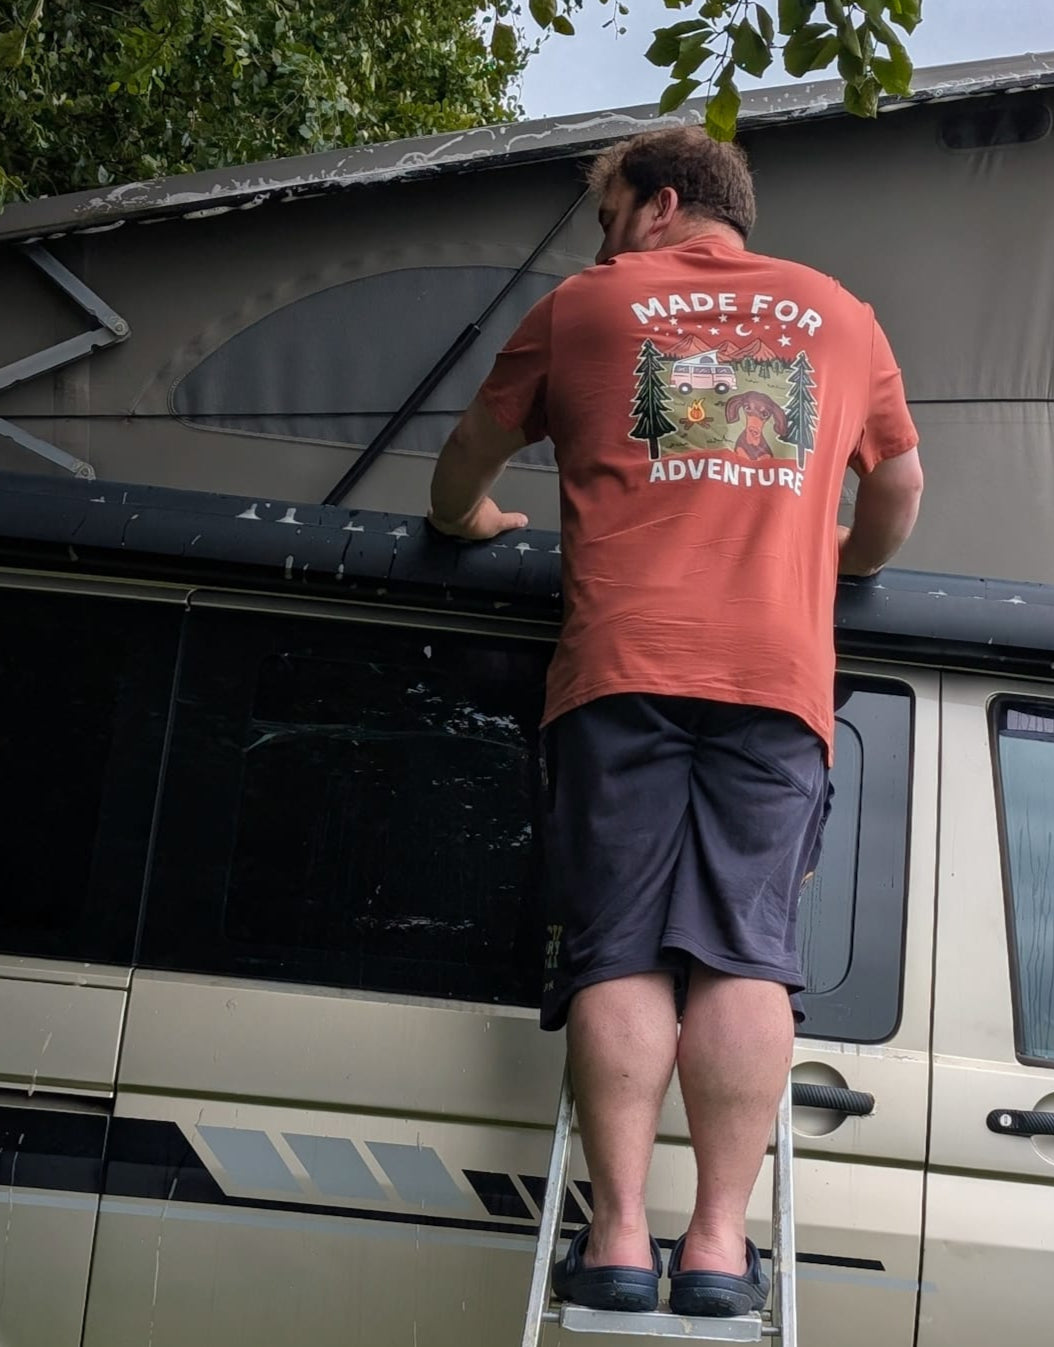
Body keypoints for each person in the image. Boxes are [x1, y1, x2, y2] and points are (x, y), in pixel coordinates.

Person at [427, 125, 923, 1318]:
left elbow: (461, 464)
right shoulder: (841, 318)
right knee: (747, 953)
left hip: (621, 671)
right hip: (777, 677)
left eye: (606, 219)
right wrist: (837, 561)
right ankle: (712, 1247)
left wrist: (468, 520)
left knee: (622, 951)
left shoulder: (586, 309)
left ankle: (614, 1238)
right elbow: (901, 485)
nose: (602, 242)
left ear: (654, 205)